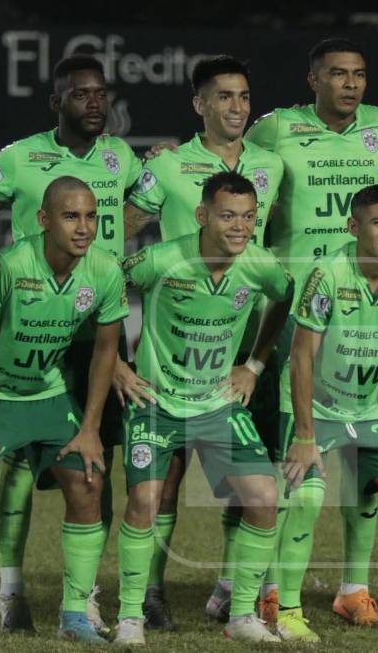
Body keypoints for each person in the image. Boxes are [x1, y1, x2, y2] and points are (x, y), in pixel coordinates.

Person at [0, 54, 142, 634]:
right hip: (23, 329)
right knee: (7, 472)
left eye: (102, 94)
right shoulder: (20, 157)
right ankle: (7, 594)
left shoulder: (122, 158)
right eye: (81, 94)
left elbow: (139, 209)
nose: (95, 102)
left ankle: (83, 600)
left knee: (95, 461)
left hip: (93, 327)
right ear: (58, 101)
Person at [241, 37, 378, 626]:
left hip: (357, 298)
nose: (351, 85)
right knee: (285, 451)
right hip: (293, 302)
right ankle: (265, 584)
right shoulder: (276, 129)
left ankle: (353, 586)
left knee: (362, 455)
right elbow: (229, 170)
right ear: (312, 79)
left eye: (359, 75)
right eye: (338, 74)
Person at [121, 55, 285, 629]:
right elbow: (121, 229)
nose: (236, 107)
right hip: (169, 345)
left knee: (251, 488)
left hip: (231, 345)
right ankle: (149, 596)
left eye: (243, 97)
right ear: (200, 105)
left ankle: (233, 598)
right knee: (159, 489)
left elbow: (273, 264)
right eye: (223, 97)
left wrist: (256, 362)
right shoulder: (167, 165)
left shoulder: (271, 165)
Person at [0, 177, 127, 644]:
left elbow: (105, 350)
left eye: (91, 216)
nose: (84, 227)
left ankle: (74, 617)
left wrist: (90, 427)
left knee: (89, 479)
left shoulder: (105, 271)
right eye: (72, 216)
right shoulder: (9, 266)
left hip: (48, 394)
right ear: (44, 220)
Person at [272, 185, 378, 642]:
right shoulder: (327, 273)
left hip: (368, 410)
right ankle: (286, 611)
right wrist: (304, 435)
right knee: (306, 498)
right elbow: (302, 356)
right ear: (353, 227)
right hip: (315, 411)